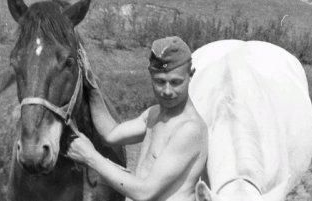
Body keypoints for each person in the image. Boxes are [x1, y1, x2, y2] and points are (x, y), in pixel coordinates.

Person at [67, 36, 208, 201]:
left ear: (191, 75)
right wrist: (91, 86)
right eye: (160, 82)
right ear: (151, 76)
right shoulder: (154, 114)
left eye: (176, 82)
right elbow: (111, 133)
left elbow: (145, 192)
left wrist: (90, 156)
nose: (167, 91)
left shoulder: (189, 129)